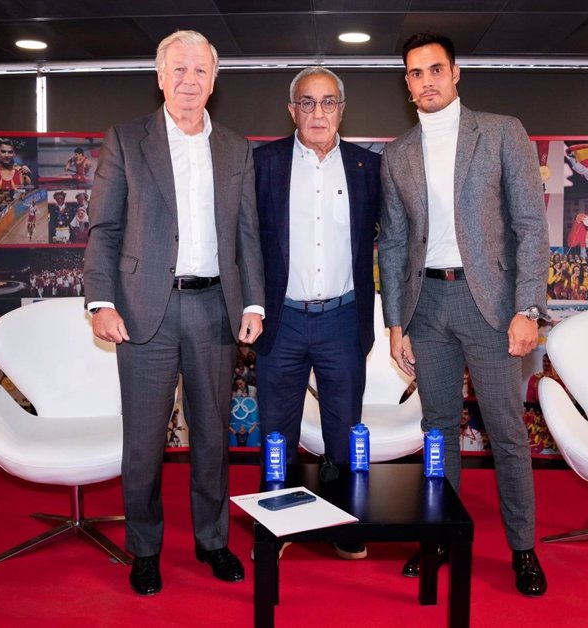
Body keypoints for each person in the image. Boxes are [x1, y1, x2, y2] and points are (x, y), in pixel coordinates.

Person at [83, 30, 265, 597]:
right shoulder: (126, 140)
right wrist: (101, 301)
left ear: (215, 80)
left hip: (215, 310)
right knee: (143, 442)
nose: (190, 80)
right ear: (160, 77)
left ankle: (213, 542)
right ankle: (145, 549)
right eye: (179, 70)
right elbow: (105, 229)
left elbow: (247, 236)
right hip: (142, 313)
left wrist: (253, 300)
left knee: (213, 438)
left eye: (201, 71)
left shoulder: (236, 148)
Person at [378, 32, 549, 596]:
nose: (425, 80)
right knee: (438, 431)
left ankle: (523, 549)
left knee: (505, 432)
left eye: (435, 69)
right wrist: (396, 321)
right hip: (426, 308)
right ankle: (440, 539)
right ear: (406, 83)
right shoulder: (397, 153)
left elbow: (530, 227)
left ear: (455, 73)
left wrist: (528, 307)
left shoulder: (502, 132)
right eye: (414, 73)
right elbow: (396, 244)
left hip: (493, 308)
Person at [253, 66, 380, 560]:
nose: (318, 112)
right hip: (281, 321)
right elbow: (245, 242)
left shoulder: (368, 168)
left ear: (342, 110)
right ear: (292, 111)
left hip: (343, 321)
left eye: (328, 102)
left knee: (344, 427)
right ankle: (275, 525)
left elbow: (386, 239)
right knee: (276, 429)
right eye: (307, 102)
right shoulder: (262, 164)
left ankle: (345, 522)